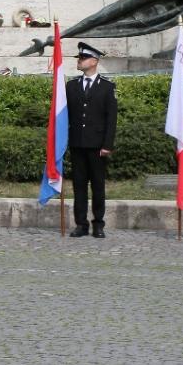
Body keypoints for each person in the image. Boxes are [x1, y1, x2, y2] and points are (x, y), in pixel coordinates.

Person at [66, 42, 117, 239]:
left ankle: (98, 224)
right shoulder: (71, 86)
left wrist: (107, 144)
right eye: (79, 58)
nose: (79, 61)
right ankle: (81, 224)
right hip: (77, 143)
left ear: (94, 61)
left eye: (83, 58)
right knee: (79, 186)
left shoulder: (107, 87)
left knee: (97, 186)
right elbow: (65, 116)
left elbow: (111, 119)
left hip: (97, 146)